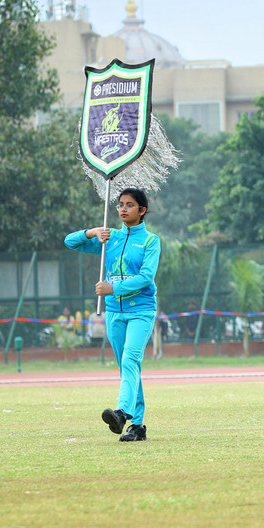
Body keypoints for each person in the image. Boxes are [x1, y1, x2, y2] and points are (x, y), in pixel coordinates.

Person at [64, 188, 161, 442]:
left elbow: (145, 277)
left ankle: (122, 412)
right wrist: (93, 232)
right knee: (128, 366)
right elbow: (69, 242)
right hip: (114, 313)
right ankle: (137, 426)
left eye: (130, 205)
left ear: (142, 211)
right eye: (120, 204)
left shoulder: (151, 241)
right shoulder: (112, 239)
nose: (123, 209)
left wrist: (112, 288)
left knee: (130, 359)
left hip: (141, 311)